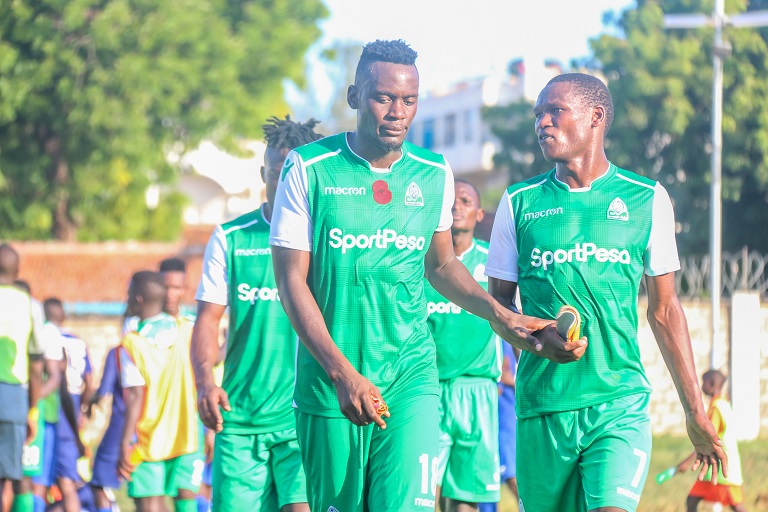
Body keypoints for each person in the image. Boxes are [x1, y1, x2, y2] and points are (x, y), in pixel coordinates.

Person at [268, 39, 554, 512]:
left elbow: (441, 264)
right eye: (384, 98)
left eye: (408, 100)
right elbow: (290, 283)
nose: (397, 112)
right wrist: (342, 373)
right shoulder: (308, 168)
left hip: (411, 378)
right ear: (354, 97)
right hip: (331, 383)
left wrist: (499, 314)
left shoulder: (433, 171)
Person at [485, 72, 726, 512]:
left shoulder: (646, 198)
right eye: (538, 114)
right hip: (542, 407)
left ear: (596, 116)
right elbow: (498, 304)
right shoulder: (518, 202)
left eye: (554, 111)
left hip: (618, 401)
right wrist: (536, 340)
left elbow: (666, 312)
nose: (542, 123)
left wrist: (695, 411)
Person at [192, 114, 322, 512]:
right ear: (262, 170)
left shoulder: (324, 238)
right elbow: (207, 320)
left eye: (290, 173)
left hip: (303, 412)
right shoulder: (230, 238)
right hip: (240, 417)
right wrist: (204, 383)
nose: (281, 182)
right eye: (274, 172)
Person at [423, 179, 502, 512]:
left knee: (466, 499)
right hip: (429, 391)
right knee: (424, 496)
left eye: (466, 201)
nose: (457, 206)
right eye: (451, 200)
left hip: (478, 391)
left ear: (479, 214)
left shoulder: (495, 263)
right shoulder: (421, 263)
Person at [117, 271, 202, 512]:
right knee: (185, 498)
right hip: (186, 433)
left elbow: (135, 395)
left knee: (149, 502)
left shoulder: (132, 343)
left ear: (138, 299)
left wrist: (124, 442)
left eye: (129, 293)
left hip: (148, 437)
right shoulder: (187, 328)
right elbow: (213, 359)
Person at [0, 243, 47, 512]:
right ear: (18, 271)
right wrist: (33, 409)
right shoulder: (30, 305)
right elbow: (35, 360)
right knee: (11, 475)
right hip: (12, 398)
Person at [43, 298, 92, 512]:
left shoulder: (43, 337)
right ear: (63, 316)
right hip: (71, 403)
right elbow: (90, 383)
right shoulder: (78, 342)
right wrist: (83, 409)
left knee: (53, 480)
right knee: (64, 480)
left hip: (50, 401)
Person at [677, 370, 747, 512]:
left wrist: (687, 461)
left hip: (724, 468)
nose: (702, 386)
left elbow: (708, 439)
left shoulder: (716, 408)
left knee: (737, 506)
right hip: (714, 468)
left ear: (712, 384)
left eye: (704, 382)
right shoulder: (723, 404)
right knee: (692, 500)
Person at [479, 344, 520, 512]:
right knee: (482, 474)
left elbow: (513, 371)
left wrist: (511, 380)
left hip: (505, 413)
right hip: (481, 409)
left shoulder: (511, 326)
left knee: (512, 474)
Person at [87, 345, 124, 512]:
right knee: (152, 496)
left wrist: (87, 400)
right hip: (151, 427)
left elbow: (104, 391)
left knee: (98, 481)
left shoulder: (119, 351)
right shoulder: (157, 349)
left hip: (122, 425)